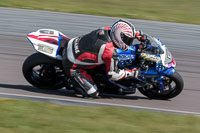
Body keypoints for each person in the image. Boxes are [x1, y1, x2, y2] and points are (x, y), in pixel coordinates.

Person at [62, 19, 148, 98]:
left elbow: (120, 29)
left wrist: (137, 34)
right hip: (72, 64)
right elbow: (113, 75)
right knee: (93, 93)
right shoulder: (109, 51)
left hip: (72, 43)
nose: (129, 43)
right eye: (128, 40)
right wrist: (132, 73)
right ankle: (74, 83)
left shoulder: (108, 30)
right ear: (120, 37)